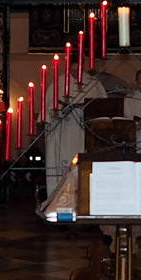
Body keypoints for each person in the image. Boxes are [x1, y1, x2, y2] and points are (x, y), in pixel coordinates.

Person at [45, 66, 106, 195]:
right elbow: (48, 111)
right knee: (63, 167)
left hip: (84, 133)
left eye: (77, 69)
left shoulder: (93, 84)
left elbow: (102, 109)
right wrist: (61, 110)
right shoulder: (58, 83)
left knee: (83, 168)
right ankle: (60, 200)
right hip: (64, 132)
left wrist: (86, 108)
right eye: (72, 69)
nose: (74, 72)